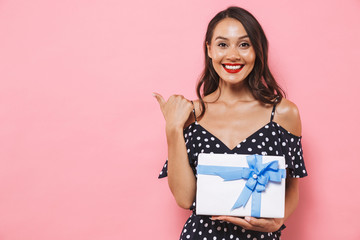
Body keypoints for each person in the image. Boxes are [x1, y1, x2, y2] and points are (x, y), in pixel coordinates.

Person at [153, 6, 307, 240]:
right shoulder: (191, 113)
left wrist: (276, 223)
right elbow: (184, 199)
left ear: (257, 50)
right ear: (209, 50)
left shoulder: (283, 112)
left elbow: (291, 190)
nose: (233, 55)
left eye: (244, 44)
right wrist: (173, 127)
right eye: (223, 44)